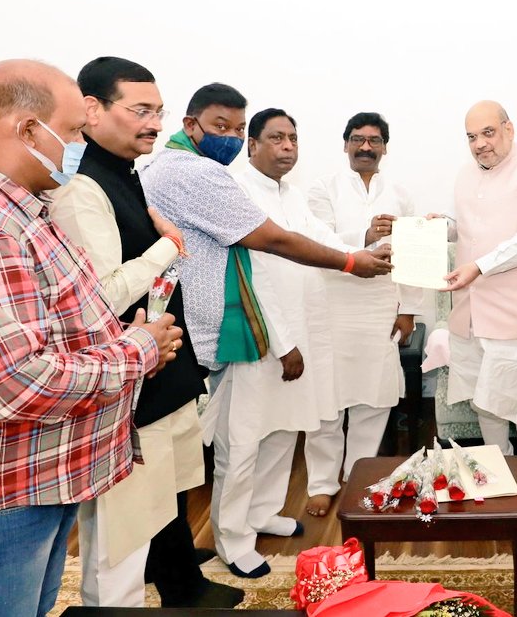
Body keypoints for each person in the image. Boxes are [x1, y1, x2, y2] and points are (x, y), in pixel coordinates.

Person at [0, 59, 180, 617]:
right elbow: (20, 382)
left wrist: (121, 339)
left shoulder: (14, 204)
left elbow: (49, 323)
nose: (80, 145)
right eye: (73, 131)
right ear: (28, 129)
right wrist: (140, 348)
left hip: (34, 475)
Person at [141, 98, 392, 579]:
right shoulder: (236, 188)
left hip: (302, 332)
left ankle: (262, 513)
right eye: (276, 138)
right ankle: (233, 537)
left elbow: (319, 237)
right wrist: (283, 343)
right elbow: (256, 273)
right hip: (260, 339)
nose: (287, 146)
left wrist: (366, 250)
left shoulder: (289, 193)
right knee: (243, 443)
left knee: (283, 431)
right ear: (252, 145)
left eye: (293, 138)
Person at [48, 58, 241, 608]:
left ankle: (177, 586)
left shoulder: (125, 171)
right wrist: (168, 247)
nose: (155, 123)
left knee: (160, 500)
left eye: (158, 111)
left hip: (158, 368)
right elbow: (101, 296)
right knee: (123, 530)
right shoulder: (82, 187)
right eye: (140, 111)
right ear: (92, 110)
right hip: (121, 380)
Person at [441, 100, 517, 532]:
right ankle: (495, 483)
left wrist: (479, 266)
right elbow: (471, 228)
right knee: (485, 404)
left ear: (509, 129)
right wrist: (440, 227)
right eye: (472, 137)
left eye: (488, 133)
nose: (480, 144)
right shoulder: (465, 174)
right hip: (471, 311)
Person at [304, 112, 423, 518]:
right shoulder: (322, 189)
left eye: (374, 140)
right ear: (345, 145)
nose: (366, 147)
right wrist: (365, 237)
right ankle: (322, 484)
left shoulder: (401, 194)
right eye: (358, 139)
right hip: (331, 306)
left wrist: (408, 310)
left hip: (378, 307)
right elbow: (314, 242)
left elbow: (413, 254)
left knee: (373, 400)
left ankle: (358, 477)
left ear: (385, 147)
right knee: (327, 402)